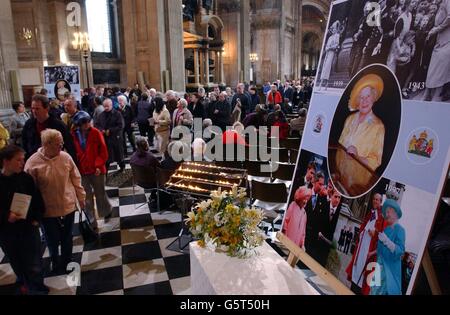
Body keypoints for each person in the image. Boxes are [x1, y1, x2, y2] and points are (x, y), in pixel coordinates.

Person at [25, 129, 86, 274]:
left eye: (62, 143)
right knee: (51, 238)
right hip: (48, 209)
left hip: (68, 204)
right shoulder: (32, 162)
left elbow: (76, 178)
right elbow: (29, 191)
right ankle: (55, 260)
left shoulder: (65, 157)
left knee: (67, 236)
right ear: (47, 144)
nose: (62, 146)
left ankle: (67, 260)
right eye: (58, 144)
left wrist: (81, 197)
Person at [0, 145, 48, 295]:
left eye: (23, 159)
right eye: (18, 160)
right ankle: (25, 283)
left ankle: (37, 288)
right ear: (5, 161)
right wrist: (6, 216)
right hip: (7, 231)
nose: (22, 163)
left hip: (28, 227)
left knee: (34, 262)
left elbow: (37, 200)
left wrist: (36, 218)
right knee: (16, 260)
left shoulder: (26, 178)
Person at [333, 74, 386, 196]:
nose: (364, 101)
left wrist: (357, 157)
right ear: (357, 101)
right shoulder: (349, 119)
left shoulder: (378, 126)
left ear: (374, 98)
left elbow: (376, 160)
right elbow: (339, 147)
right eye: (361, 97)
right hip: (339, 179)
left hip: (358, 186)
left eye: (368, 96)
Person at [72, 111, 112, 230]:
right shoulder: (73, 134)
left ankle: (106, 211)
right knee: (87, 197)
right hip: (82, 170)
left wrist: (99, 166)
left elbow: (103, 152)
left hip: (97, 170)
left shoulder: (96, 132)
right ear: (78, 124)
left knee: (100, 193)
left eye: (89, 122)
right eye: (84, 123)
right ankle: (91, 221)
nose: (88, 124)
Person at [346, 193, 386, 295]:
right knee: (356, 271)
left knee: (364, 275)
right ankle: (352, 289)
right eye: (374, 199)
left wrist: (375, 234)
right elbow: (363, 228)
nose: (375, 201)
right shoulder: (370, 214)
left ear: (381, 202)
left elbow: (384, 237)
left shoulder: (382, 218)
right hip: (362, 248)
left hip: (369, 251)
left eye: (377, 200)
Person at [22, 94, 77, 163]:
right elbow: (24, 144)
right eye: (32, 108)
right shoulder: (29, 124)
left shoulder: (58, 125)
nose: (34, 111)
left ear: (47, 108)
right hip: (34, 162)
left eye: (37, 108)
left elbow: (70, 145)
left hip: (54, 162)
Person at [370, 199, 406, 295]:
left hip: (389, 271)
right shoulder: (386, 230)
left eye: (388, 212)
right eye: (386, 212)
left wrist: (387, 241)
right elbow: (380, 250)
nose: (386, 214)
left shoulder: (400, 230)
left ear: (395, 213)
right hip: (379, 267)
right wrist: (371, 253)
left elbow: (400, 251)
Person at [423, 0, 450, 101]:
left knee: (440, 73)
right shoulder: (441, 3)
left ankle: (435, 98)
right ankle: (429, 95)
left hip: (446, 42)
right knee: (434, 71)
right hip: (440, 40)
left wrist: (437, 28)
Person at [95, 98, 125, 172]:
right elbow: (97, 125)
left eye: (107, 106)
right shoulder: (101, 115)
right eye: (104, 106)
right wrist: (101, 130)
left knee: (119, 155)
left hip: (116, 138)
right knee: (107, 156)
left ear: (111, 105)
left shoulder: (117, 114)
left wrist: (110, 130)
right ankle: (105, 171)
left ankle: (122, 167)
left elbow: (120, 125)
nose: (106, 108)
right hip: (106, 139)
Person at [315, 189, 342, 266]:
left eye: (339, 198)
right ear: (331, 196)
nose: (337, 200)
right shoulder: (323, 205)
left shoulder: (340, 212)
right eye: (335, 197)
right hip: (316, 243)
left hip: (327, 249)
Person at [318, 21, 341, 91]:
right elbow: (327, 46)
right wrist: (328, 48)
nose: (333, 30)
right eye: (332, 29)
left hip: (332, 53)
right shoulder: (330, 37)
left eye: (334, 29)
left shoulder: (337, 36)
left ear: (336, 29)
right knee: (324, 67)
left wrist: (331, 47)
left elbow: (336, 44)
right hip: (328, 53)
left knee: (327, 68)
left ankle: (323, 84)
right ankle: (323, 85)